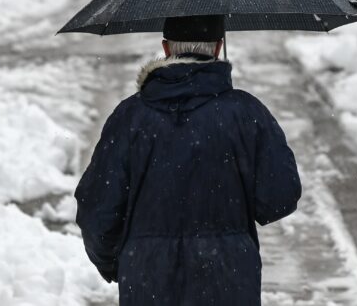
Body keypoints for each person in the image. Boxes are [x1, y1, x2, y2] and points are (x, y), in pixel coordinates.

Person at [75, 15, 302, 306]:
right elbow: (279, 197)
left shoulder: (129, 118)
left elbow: (97, 211)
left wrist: (118, 262)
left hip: (148, 280)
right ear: (219, 48)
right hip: (228, 281)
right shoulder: (247, 114)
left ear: (166, 49)